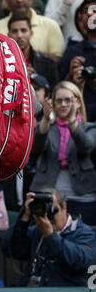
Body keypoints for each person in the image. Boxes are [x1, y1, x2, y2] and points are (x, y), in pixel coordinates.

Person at [30, 81, 96, 226]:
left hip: (82, 197)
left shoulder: (90, 128)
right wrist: (46, 120)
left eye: (68, 100)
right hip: (49, 196)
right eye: (59, 101)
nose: (63, 104)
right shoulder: (47, 127)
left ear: (78, 102)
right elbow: (35, 148)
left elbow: (85, 147)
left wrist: (72, 121)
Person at [1, 188, 96, 287]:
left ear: (64, 207)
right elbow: (9, 249)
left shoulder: (83, 233)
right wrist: (24, 218)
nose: (48, 215)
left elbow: (79, 261)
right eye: (44, 210)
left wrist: (50, 236)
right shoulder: (37, 231)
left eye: (52, 210)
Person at [0, 0, 65, 61]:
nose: (19, 0)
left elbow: (59, 59)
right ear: (6, 0)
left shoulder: (50, 25)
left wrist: (35, 58)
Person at [59, 0, 96, 122]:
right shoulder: (72, 52)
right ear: (80, 18)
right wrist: (70, 75)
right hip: (80, 115)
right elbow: (59, 89)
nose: (90, 14)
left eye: (94, 10)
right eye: (86, 11)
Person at [7, 14, 58, 89]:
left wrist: (37, 79)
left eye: (23, 30)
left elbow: (53, 93)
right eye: (14, 31)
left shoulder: (48, 64)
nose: (19, 35)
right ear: (8, 35)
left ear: (31, 34)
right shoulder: (0, 63)